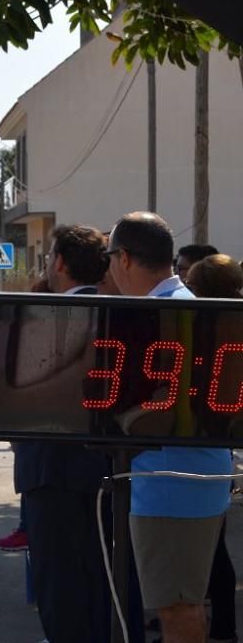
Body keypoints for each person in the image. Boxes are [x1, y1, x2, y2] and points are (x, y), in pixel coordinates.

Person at [107, 212, 232, 643]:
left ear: (123, 258)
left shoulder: (168, 315)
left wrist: (119, 418)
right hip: (182, 479)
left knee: (177, 608)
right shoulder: (181, 307)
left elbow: (169, 405)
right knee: (181, 603)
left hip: (173, 484)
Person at [14, 224, 113, 643]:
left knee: (59, 585)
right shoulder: (121, 312)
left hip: (50, 470)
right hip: (109, 470)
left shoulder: (42, 317)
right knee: (103, 579)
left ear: (59, 261)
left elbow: (19, 391)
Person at [181, 253, 240, 643]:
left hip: (205, 452)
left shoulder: (206, 330)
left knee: (207, 553)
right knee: (214, 549)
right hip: (221, 452)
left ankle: (211, 629)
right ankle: (221, 629)